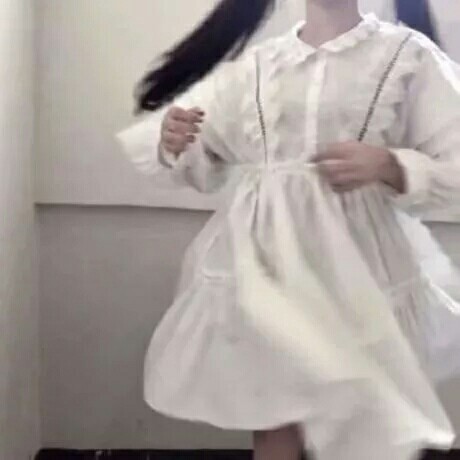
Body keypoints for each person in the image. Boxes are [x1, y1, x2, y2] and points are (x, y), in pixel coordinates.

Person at [117, 0, 460, 459]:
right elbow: (208, 154)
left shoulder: (405, 55)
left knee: (362, 417)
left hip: (356, 266)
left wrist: (390, 164)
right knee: (275, 410)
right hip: (265, 262)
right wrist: (176, 141)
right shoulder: (261, 64)